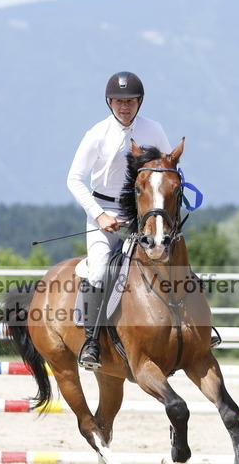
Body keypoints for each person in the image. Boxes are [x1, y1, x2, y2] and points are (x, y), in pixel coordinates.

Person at [67, 71, 171, 370]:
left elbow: (168, 167)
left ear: (140, 102)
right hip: (103, 209)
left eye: (130, 101)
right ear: (109, 102)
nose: (124, 107)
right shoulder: (96, 134)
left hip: (144, 211)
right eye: (118, 101)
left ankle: (196, 329)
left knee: (172, 256)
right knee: (100, 270)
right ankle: (91, 342)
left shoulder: (154, 129)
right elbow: (74, 179)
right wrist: (99, 215)